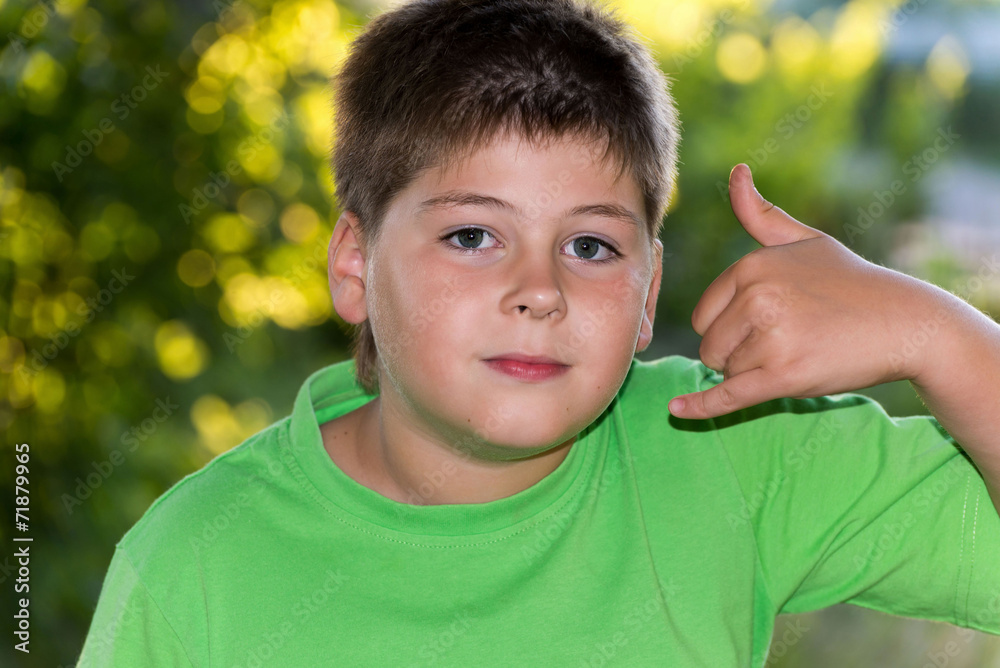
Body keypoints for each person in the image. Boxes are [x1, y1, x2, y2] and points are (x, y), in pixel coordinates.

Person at [77, 0, 1000, 665]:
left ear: (648, 297)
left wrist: (938, 335)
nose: (539, 290)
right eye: (473, 235)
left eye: (591, 245)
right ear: (354, 267)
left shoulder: (732, 454)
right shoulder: (197, 561)